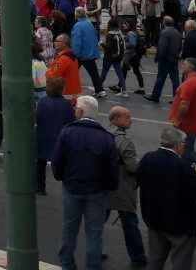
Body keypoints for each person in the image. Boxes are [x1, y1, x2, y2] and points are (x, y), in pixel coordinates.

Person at [51, 96, 118, 270]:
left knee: (69, 230)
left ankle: (67, 264)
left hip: (72, 187)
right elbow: (112, 169)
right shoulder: (106, 138)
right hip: (97, 191)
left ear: (80, 111)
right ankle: (93, 266)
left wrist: (62, 177)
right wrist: (108, 187)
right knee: (94, 233)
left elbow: (57, 162)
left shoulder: (67, 132)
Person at [137, 126, 196, 270]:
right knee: (181, 261)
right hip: (180, 224)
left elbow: (138, 179)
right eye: (184, 144)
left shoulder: (148, 158)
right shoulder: (183, 166)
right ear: (178, 144)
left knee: (155, 259)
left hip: (154, 219)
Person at [107, 106, 147, 268]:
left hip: (105, 186)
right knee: (130, 225)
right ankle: (138, 257)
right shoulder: (125, 141)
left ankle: (96, 249)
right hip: (123, 188)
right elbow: (132, 167)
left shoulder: (104, 134)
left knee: (96, 221)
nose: (130, 120)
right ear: (115, 119)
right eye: (127, 117)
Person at [36, 77, 76, 195]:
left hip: (43, 135)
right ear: (61, 89)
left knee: (40, 163)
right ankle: (68, 187)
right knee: (65, 163)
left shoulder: (42, 102)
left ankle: (40, 187)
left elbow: (38, 118)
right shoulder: (66, 105)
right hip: (60, 138)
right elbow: (71, 122)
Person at [71, 7, 106, 98]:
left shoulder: (77, 26)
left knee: (70, 71)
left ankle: (64, 88)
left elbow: (76, 42)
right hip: (90, 52)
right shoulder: (89, 23)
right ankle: (100, 90)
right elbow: (94, 37)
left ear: (76, 15)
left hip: (81, 54)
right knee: (94, 73)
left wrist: (74, 54)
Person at [145, 18, 182, 102]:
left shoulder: (164, 33)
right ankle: (177, 97)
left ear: (164, 23)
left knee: (161, 77)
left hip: (165, 58)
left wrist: (158, 57)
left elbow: (162, 46)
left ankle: (155, 96)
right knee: (175, 78)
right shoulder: (177, 33)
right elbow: (180, 46)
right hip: (174, 58)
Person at [48, 34, 83, 100]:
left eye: (57, 41)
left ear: (64, 44)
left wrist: (47, 71)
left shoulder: (64, 58)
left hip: (66, 92)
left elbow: (52, 76)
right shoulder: (71, 55)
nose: (54, 43)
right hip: (72, 90)